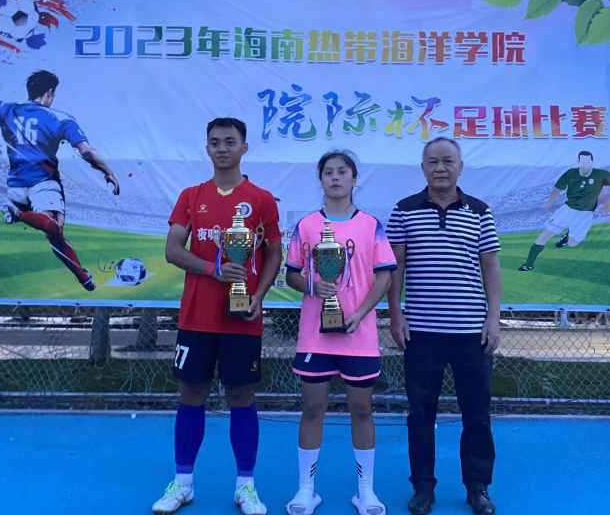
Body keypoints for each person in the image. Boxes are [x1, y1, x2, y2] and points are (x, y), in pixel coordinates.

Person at [154, 117, 282, 515]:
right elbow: (173, 250)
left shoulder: (262, 199)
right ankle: (183, 483)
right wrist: (213, 270)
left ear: (244, 147)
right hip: (197, 316)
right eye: (215, 142)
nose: (222, 148)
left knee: (242, 396)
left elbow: (274, 253)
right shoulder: (191, 196)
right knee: (191, 393)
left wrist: (259, 295)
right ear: (207, 148)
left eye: (229, 141)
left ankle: (246, 487)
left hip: (242, 318)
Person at [386, 137, 502, 515]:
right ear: (423, 168)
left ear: (460, 166)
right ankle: (422, 487)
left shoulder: (479, 211)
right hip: (421, 332)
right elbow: (395, 268)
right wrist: (395, 314)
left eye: (448, 161)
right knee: (421, 413)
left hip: (471, 332)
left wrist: (493, 318)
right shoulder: (404, 210)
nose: (440, 168)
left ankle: (478, 487)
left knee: (477, 413)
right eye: (433, 162)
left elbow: (490, 266)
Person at [284, 150, 396, 515]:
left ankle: (366, 492)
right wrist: (313, 286)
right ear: (320, 180)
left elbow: (384, 276)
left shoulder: (371, 225)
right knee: (313, 409)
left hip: (358, 336)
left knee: (362, 409)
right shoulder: (306, 226)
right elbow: (291, 273)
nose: (335, 177)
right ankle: (306, 491)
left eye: (342, 171)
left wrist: (361, 314)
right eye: (328, 172)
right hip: (315, 336)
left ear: (354, 179)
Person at [0, 70, 119, 291]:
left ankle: (83, 277)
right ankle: (17, 215)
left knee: (55, 234)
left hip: (15, 186)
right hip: (43, 183)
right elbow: (86, 150)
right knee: (55, 228)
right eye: (53, 94)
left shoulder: (8, 110)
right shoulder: (60, 119)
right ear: (49, 93)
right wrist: (107, 171)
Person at [519, 150, 610, 271]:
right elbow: (558, 189)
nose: (585, 163)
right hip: (567, 210)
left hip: (586, 215)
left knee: (573, 243)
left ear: (592, 161)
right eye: (583, 161)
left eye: (588, 161)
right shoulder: (571, 173)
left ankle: (567, 236)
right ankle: (529, 264)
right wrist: (550, 201)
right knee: (544, 236)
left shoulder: (601, 174)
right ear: (578, 161)